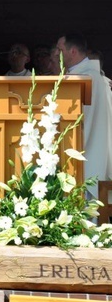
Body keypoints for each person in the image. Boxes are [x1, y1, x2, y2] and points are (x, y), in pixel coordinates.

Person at [57, 33, 112, 197]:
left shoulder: (81, 79)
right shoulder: (100, 78)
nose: (56, 54)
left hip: (83, 154)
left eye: (60, 50)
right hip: (95, 153)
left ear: (72, 51)